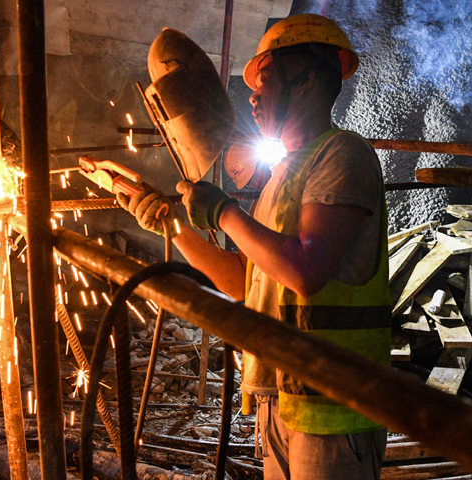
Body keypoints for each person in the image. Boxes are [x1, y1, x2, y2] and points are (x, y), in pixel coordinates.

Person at [119, 13, 390, 479]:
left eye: (265, 79)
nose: (253, 93)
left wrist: (225, 212)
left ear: (306, 80)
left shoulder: (343, 153)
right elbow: (242, 282)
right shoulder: (281, 177)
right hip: (279, 397)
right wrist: (171, 225)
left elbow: (306, 270)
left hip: (335, 403)